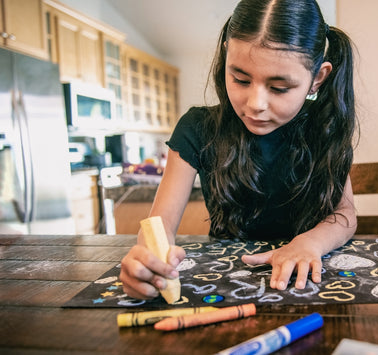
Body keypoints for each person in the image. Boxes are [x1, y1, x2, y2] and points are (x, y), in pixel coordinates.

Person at [120, 0, 359, 300]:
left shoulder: (324, 129)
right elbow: (160, 224)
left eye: (279, 88)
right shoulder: (197, 128)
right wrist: (148, 259)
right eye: (241, 79)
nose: (255, 104)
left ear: (317, 79)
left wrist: (310, 243)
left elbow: (345, 213)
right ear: (225, 59)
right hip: (224, 288)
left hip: (310, 280)